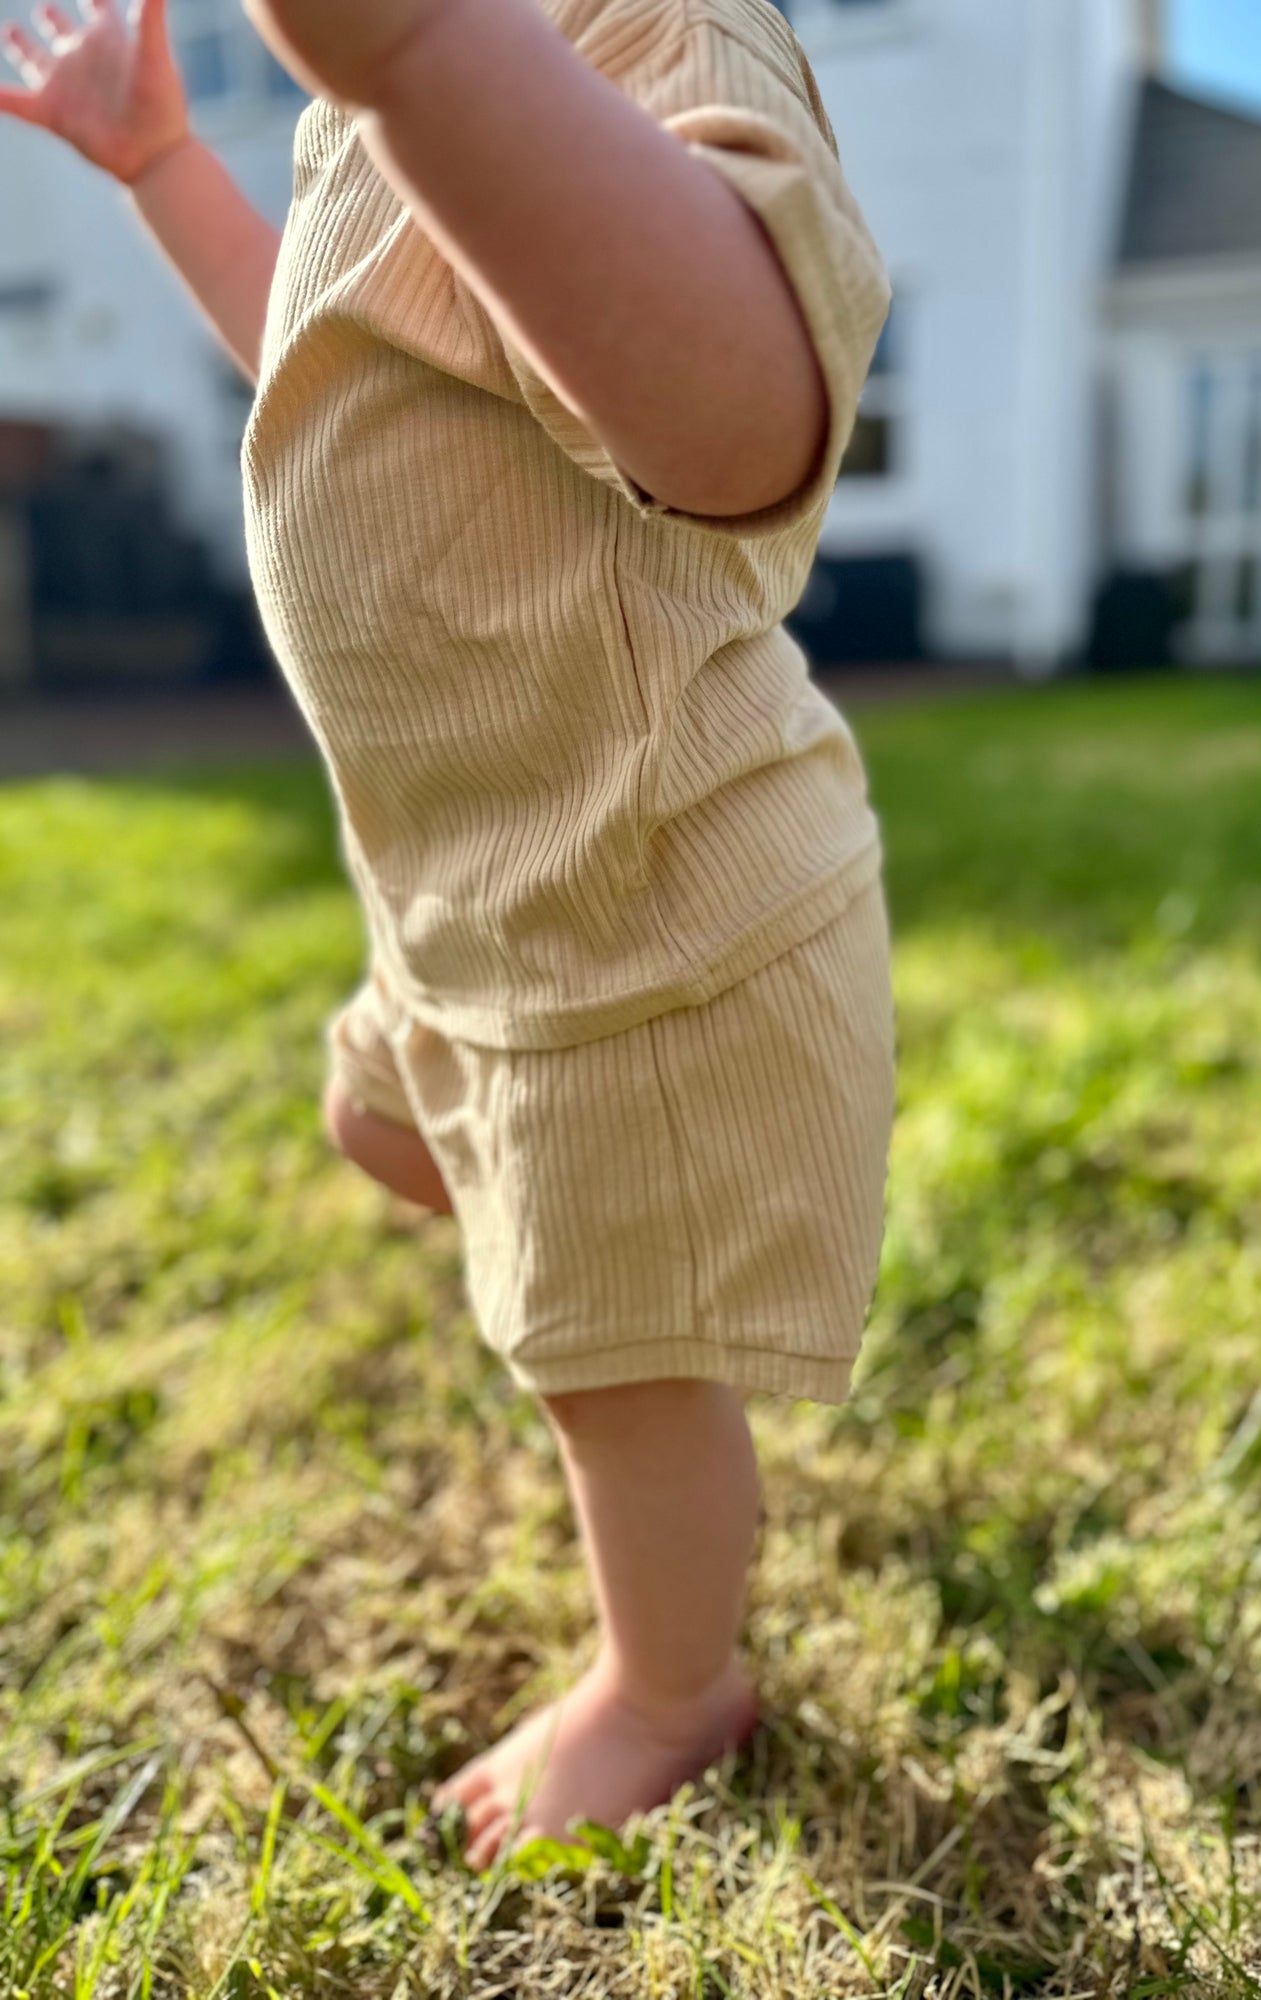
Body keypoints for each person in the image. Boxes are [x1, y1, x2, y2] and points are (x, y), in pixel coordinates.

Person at [1, 0, 896, 1872]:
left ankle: (670, 1684)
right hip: (470, 899)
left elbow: (741, 413)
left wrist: (422, 54)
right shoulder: (377, 102)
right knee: (383, 1132)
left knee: (604, 1355)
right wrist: (168, 161)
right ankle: (656, 1278)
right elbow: (329, 356)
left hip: (634, 910)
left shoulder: (637, 23)